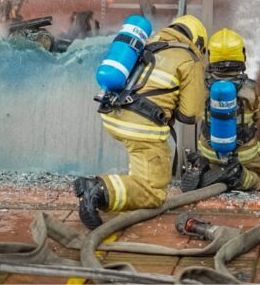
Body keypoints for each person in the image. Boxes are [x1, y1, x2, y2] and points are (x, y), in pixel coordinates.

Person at [75, 15, 208, 229]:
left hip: (112, 113)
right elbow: (190, 115)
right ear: (198, 41)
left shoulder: (149, 43)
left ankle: (120, 185)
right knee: (153, 191)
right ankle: (98, 190)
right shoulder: (189, 58)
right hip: (140, 125)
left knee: (141, 164)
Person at [183, 28, 260, 192]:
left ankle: (201, 165)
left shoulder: (202, 87)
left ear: (211, 56)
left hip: (208, 150)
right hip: (243, 154)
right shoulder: (250, 88)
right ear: (241, 54)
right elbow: (256, 118)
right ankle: (237, 174)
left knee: (207, 151)